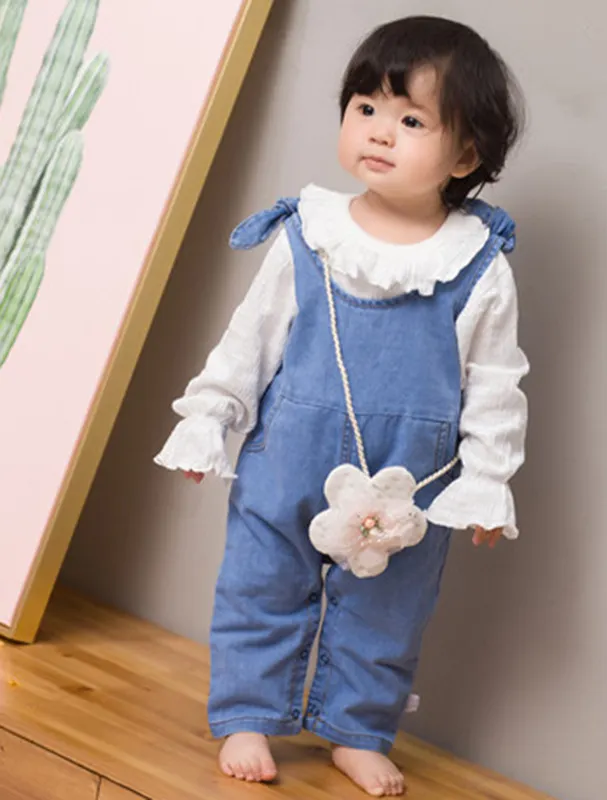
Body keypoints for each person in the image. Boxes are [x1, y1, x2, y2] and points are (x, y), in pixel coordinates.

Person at [155, 15, 528, 797]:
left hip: (410, 482)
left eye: (412, 120)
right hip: (288, 453)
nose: (380, 131)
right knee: (260, 583)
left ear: (465, 156)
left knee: (388, 611)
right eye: (365, 108)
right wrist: (210, 418)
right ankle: (248, 713)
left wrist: (488, 481)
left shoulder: (476, 265)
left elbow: (496, 384)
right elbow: (251, 339)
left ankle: (356, 731)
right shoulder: (309, 235)